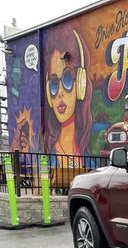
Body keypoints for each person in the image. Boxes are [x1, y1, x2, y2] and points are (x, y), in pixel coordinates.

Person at [43, 26, 95, 168]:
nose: (59, 92)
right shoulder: (50, 155)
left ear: (80, 83)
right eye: (53, 83)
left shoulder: (88, 155)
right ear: (48, 92)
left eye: (66, 78)